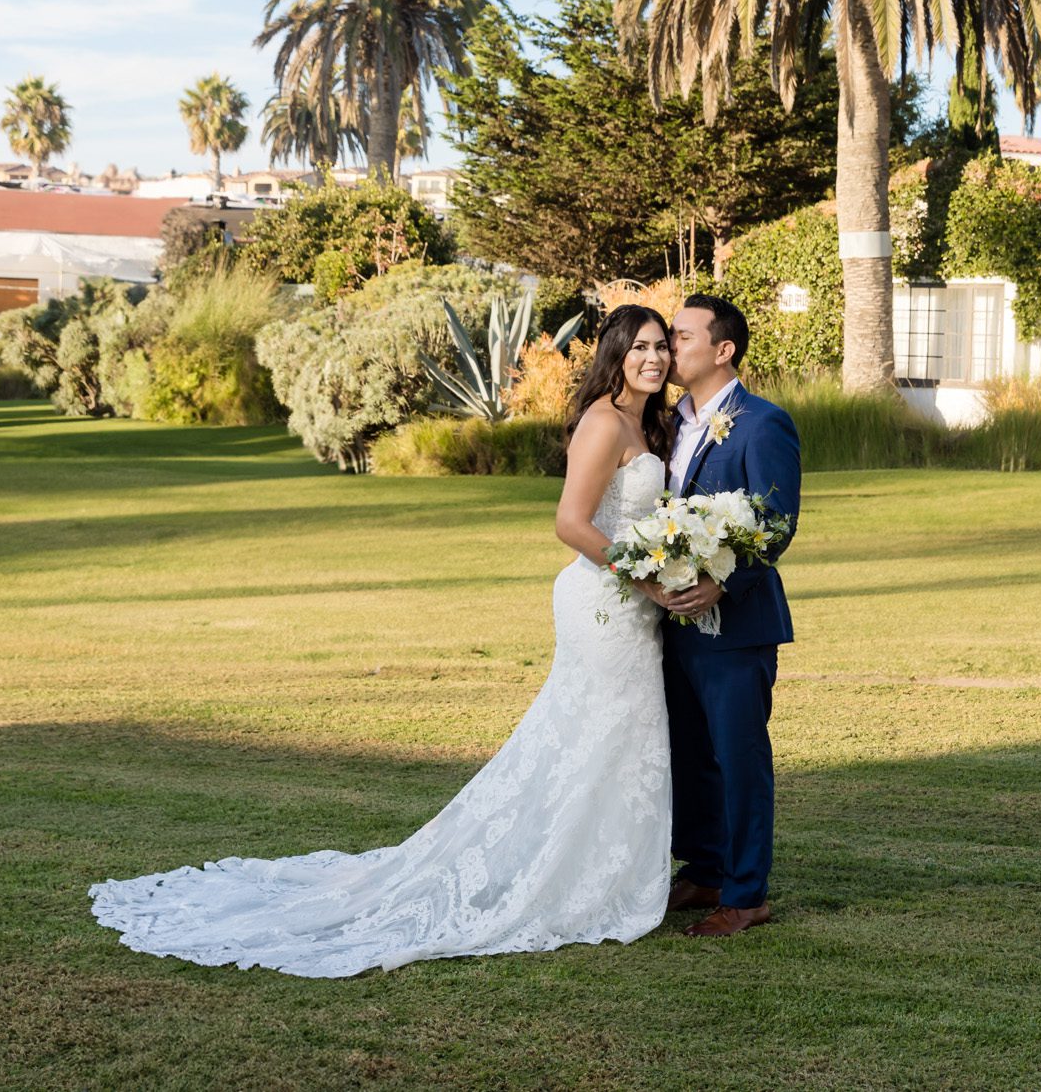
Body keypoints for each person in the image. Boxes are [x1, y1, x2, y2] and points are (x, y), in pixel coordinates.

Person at [87, 305, 682, 978]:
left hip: (631, 610)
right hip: (605, 605)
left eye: (662, 346)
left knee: (607, 741)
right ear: (614, 353)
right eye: (640, 347)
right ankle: (562, 879)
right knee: (592, 736)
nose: (654, 358)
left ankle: (592, 870)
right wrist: (649, 581)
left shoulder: (649, 420)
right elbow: (571, 523)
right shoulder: (606, 420)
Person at [657, 294, 802, 938]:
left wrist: (723, 583)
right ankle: (708, 868)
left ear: (724, 350)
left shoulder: (762, 423)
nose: (669, 347)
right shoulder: (663, 425)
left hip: (736, 624)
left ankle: (746, 895)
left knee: (738, 757)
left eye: (682, 336)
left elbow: (776, 522)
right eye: (668, 336)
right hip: (668, 620)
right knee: (689, 750)